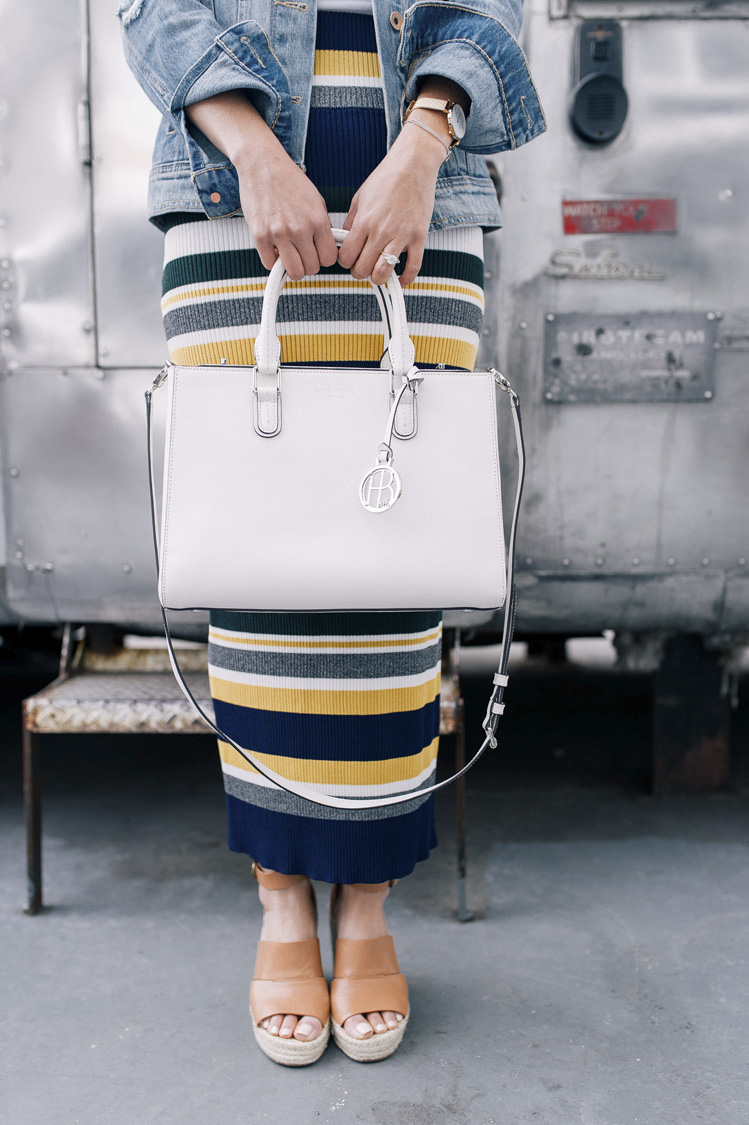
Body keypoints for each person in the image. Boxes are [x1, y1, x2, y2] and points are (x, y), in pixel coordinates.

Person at [118, 0, 544, 1065]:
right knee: (261, 557)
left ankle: (363, 907)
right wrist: (255, 148)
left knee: (388, 556)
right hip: (233, 187)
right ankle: (277, 903)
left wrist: (424, 138)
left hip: (421, 191)